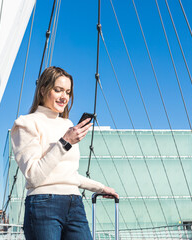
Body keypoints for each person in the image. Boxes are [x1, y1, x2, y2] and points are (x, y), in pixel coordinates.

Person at [11, 66, 118, 240]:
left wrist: (101, 188)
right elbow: (34, 175)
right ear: (43, 89)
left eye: (68, 92)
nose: (64, 97)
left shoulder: (67, 125)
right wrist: (65, 142)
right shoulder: (26, 123)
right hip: (43, 205)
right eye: (58, 90)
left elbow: (68, 175)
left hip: (74, 203)